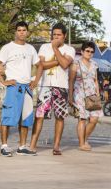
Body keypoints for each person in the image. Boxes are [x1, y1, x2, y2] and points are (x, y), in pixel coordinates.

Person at [0, 21, 43, 157]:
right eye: (19, 30)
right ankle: (4, 146)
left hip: (27, 87)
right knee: (7, 116)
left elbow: (40, 65)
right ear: (15, 32)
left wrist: (35, 81)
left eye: (24, 30)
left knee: (26, 117)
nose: (21, 32)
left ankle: (22, 146)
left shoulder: (31, 48)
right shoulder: (8, 48)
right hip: (14, 86)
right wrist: (3, 81)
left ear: (27, 32)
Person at [29, 23, 76, 156]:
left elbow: (66, 64)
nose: (55, 37)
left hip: (61, 87)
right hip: (45, 86)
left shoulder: (70, 49)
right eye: (54, 35)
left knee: (60, 117)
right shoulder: (44, 47)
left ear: (64, 36)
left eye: (59, 35)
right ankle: (32, 145)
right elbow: (41, 65)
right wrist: (58, 61)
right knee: (39, 115)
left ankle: (56, 146)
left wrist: (55, 50)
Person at [69, 41, 103, 151]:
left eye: (92, 52)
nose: (89, 53)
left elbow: (96, 80)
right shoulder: (76, 63)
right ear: (82, 51)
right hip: (79, 93)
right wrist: (70, 96)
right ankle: (82, 144)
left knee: (94, 119)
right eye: (87, 51)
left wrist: (98, 94)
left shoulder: (94, 64)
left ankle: (84, 139)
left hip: (92, 95)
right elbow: (71, 80)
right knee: (82, 119)